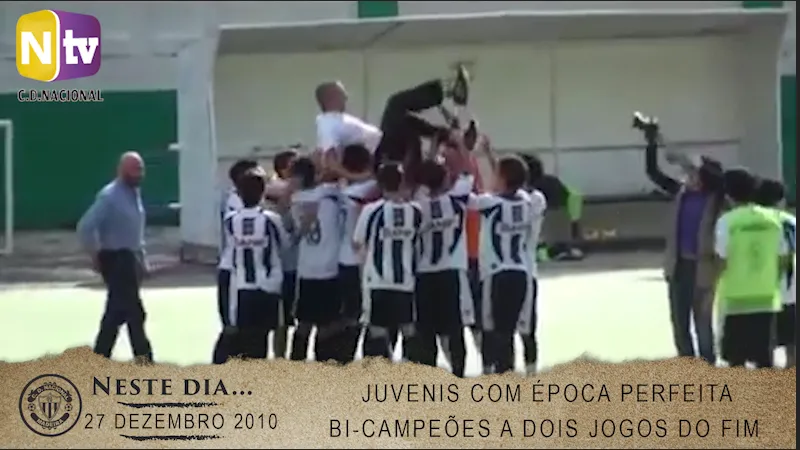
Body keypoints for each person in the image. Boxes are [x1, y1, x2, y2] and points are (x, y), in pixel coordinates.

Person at [638, 113, 724, 365]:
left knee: (703, 321)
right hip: (678, 266)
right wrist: (652, 143)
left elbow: (718, 179)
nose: (689, 177)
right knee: (679, 321)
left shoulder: (717, 199)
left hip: (704, 266)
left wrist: (685, 160)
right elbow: (653, 172)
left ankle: (708, 363)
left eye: (695, 174)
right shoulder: (681, 193)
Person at [315, 65, 470, 175]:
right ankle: (446, 91)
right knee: (395, 104)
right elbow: (330, 161)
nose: (346, 97)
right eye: (342, 94)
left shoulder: (336, 119)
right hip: (380, 155)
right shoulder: (326, 123)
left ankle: (447, 134)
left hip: (386, 145)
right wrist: (358, 176)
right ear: (331, 98)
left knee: (405, 121)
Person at [471, 155, 546, 374]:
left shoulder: (490, 203)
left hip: (496, 273)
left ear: (502, 179)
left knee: (494, 329)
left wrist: (468, 166)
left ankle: (502, 375)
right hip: (522, 271)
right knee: (514, 329)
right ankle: (520, 374)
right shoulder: (529, 202)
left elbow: (467, 200)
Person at [77, 151, 153, 363]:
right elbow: (86, 226)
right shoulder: (109, 197)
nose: (139, 174)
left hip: (130, 260)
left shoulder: (134, 193)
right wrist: (95, 254)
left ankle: (100, 358)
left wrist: (142, 259)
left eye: (141, 169)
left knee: (116, 314)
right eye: (134, 169)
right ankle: (146, 362)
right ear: (121, 170)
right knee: (135, 314)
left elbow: (135, 231)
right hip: (117, 260)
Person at [714, 169, 789, 368]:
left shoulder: (727, 222)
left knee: (736, 361)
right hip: (766, 298)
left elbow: (721, 260)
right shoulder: (773, 220)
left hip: (735, 300)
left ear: (728, 195)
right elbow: (782, 258)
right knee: (764, 360)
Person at [217, 168, 289, 360]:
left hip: (241, 286)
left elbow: (228, 251)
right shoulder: (271, 219)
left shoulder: (230, 220)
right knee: (260, 338)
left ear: (239, 194)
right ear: (263, 192)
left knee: (242, 337)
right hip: (267, 287)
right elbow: (285, 245)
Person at [413, 156, 475, 377]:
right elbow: (469, 170)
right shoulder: (458, 200)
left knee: (425, 331)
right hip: (451, 273)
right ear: (446, 179)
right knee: (455, 329)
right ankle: (459, 374)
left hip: (423, 274)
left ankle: (429, 378)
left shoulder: (416, 207)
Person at [353, 163, 423, 360]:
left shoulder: (371, 210)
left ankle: (385, 368)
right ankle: (409, 369)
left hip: (378, 280)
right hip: (406, 281)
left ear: (380, 184)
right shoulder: (415, 211)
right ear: (402, 183)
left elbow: (358, 242)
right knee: (408, 328)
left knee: (377, 329)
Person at [288, 156, 343, 362]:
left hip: (309, 270)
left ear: (301, 177)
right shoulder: (331, 196)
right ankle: (325, 364)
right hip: (328, 268)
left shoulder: (296, 199)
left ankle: (297, 365)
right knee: (326, 324)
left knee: (304, 323)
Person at [331, 144, 377, 363]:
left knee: (347, 313)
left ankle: (343, 358)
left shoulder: (339, 190)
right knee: (362, 313)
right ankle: (358, 357)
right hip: (360, 260)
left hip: (342, 259)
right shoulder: (366, 189)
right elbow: (378, 176)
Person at [213, 158, 259, 364]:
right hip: (232, 271)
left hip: (243, 272)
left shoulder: (240, 202)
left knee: (247, 329)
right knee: (232, 327)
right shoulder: (236, 203)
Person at [753, 178, 796, 367]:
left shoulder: (753, 222)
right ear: (781, 200)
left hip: (760, 293)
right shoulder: (791, 222)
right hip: (790, 292)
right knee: (792, 343)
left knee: (764, 344)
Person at [265, 150, 300, 360]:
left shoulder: (298, 191)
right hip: (280, 266)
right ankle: (279, 357)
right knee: (280, 320)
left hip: (296, 266)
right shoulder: (273, 189)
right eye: (293, 166)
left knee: (292, 318)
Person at [519, 153, 585, 261]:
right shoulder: (551, 180)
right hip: (563, 219)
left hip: (544, 222)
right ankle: (561, 250)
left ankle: (544, 252)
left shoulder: (531, 188)